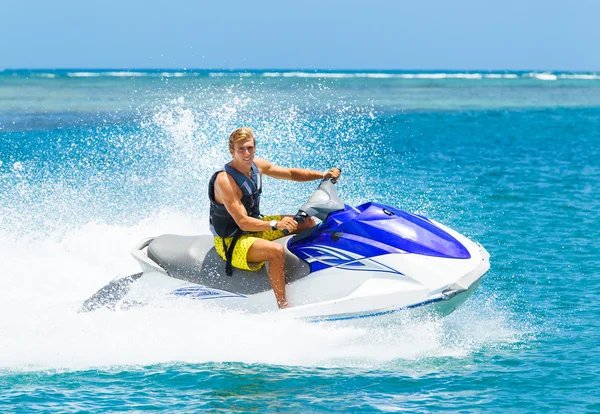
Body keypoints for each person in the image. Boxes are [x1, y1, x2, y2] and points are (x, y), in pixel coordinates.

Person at [208, 127, 341, 309]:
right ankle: (283, 305)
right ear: (232, 151)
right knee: (275, 252)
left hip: (256, 227)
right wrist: (274, 224)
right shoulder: (225, 181)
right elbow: (242, 222)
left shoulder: (257, 166)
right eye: (241, 149)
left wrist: (323, 175)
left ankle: (315, 271)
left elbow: (291, 174)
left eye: (250, 148)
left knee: (308, 222)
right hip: (232, 240)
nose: (247, 154)